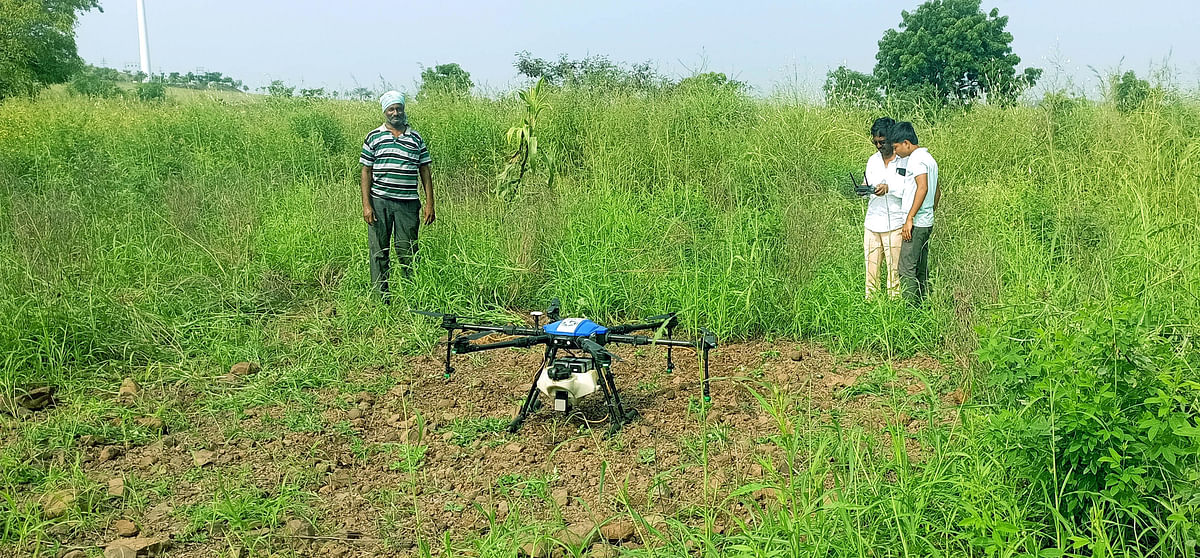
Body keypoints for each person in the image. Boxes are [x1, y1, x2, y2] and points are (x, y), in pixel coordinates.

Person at [360, 90, 435, 303]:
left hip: (408, 204)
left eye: (399, 108)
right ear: (385, 111)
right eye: (391, 109)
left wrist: (430, 203)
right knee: (379, 252)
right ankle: (381, 300)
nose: (396, 112)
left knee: (408, 250)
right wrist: (367, 205)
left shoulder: (416, 138)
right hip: (379, 202)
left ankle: (414, 298)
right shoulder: (374, 136)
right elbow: (366, 171)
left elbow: (425, 170)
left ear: (403, 110)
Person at [889, 121, 939, 304]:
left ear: (906, 143)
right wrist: (929, 212)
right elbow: (937, 191)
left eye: (896, 147)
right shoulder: (930, 159)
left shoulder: (916, 159)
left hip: (916, 223)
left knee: (906, 269)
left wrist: (910, 218)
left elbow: (923, 188)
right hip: (925, 221)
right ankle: (922, 305)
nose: (895, 152)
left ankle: (909, 312)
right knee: (920, 268)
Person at [861, 117, 905, 299]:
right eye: (876, 142)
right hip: (872, 223)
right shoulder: (872, 161)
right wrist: (864, 188)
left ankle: (894, 307)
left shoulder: (903, 161)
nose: (879, 146)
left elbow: (909, 189)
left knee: (894, 272)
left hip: (894, 223)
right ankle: (870, 304)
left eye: (883, 142)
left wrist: (889, 188)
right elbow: (868, 183)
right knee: (871, 272)